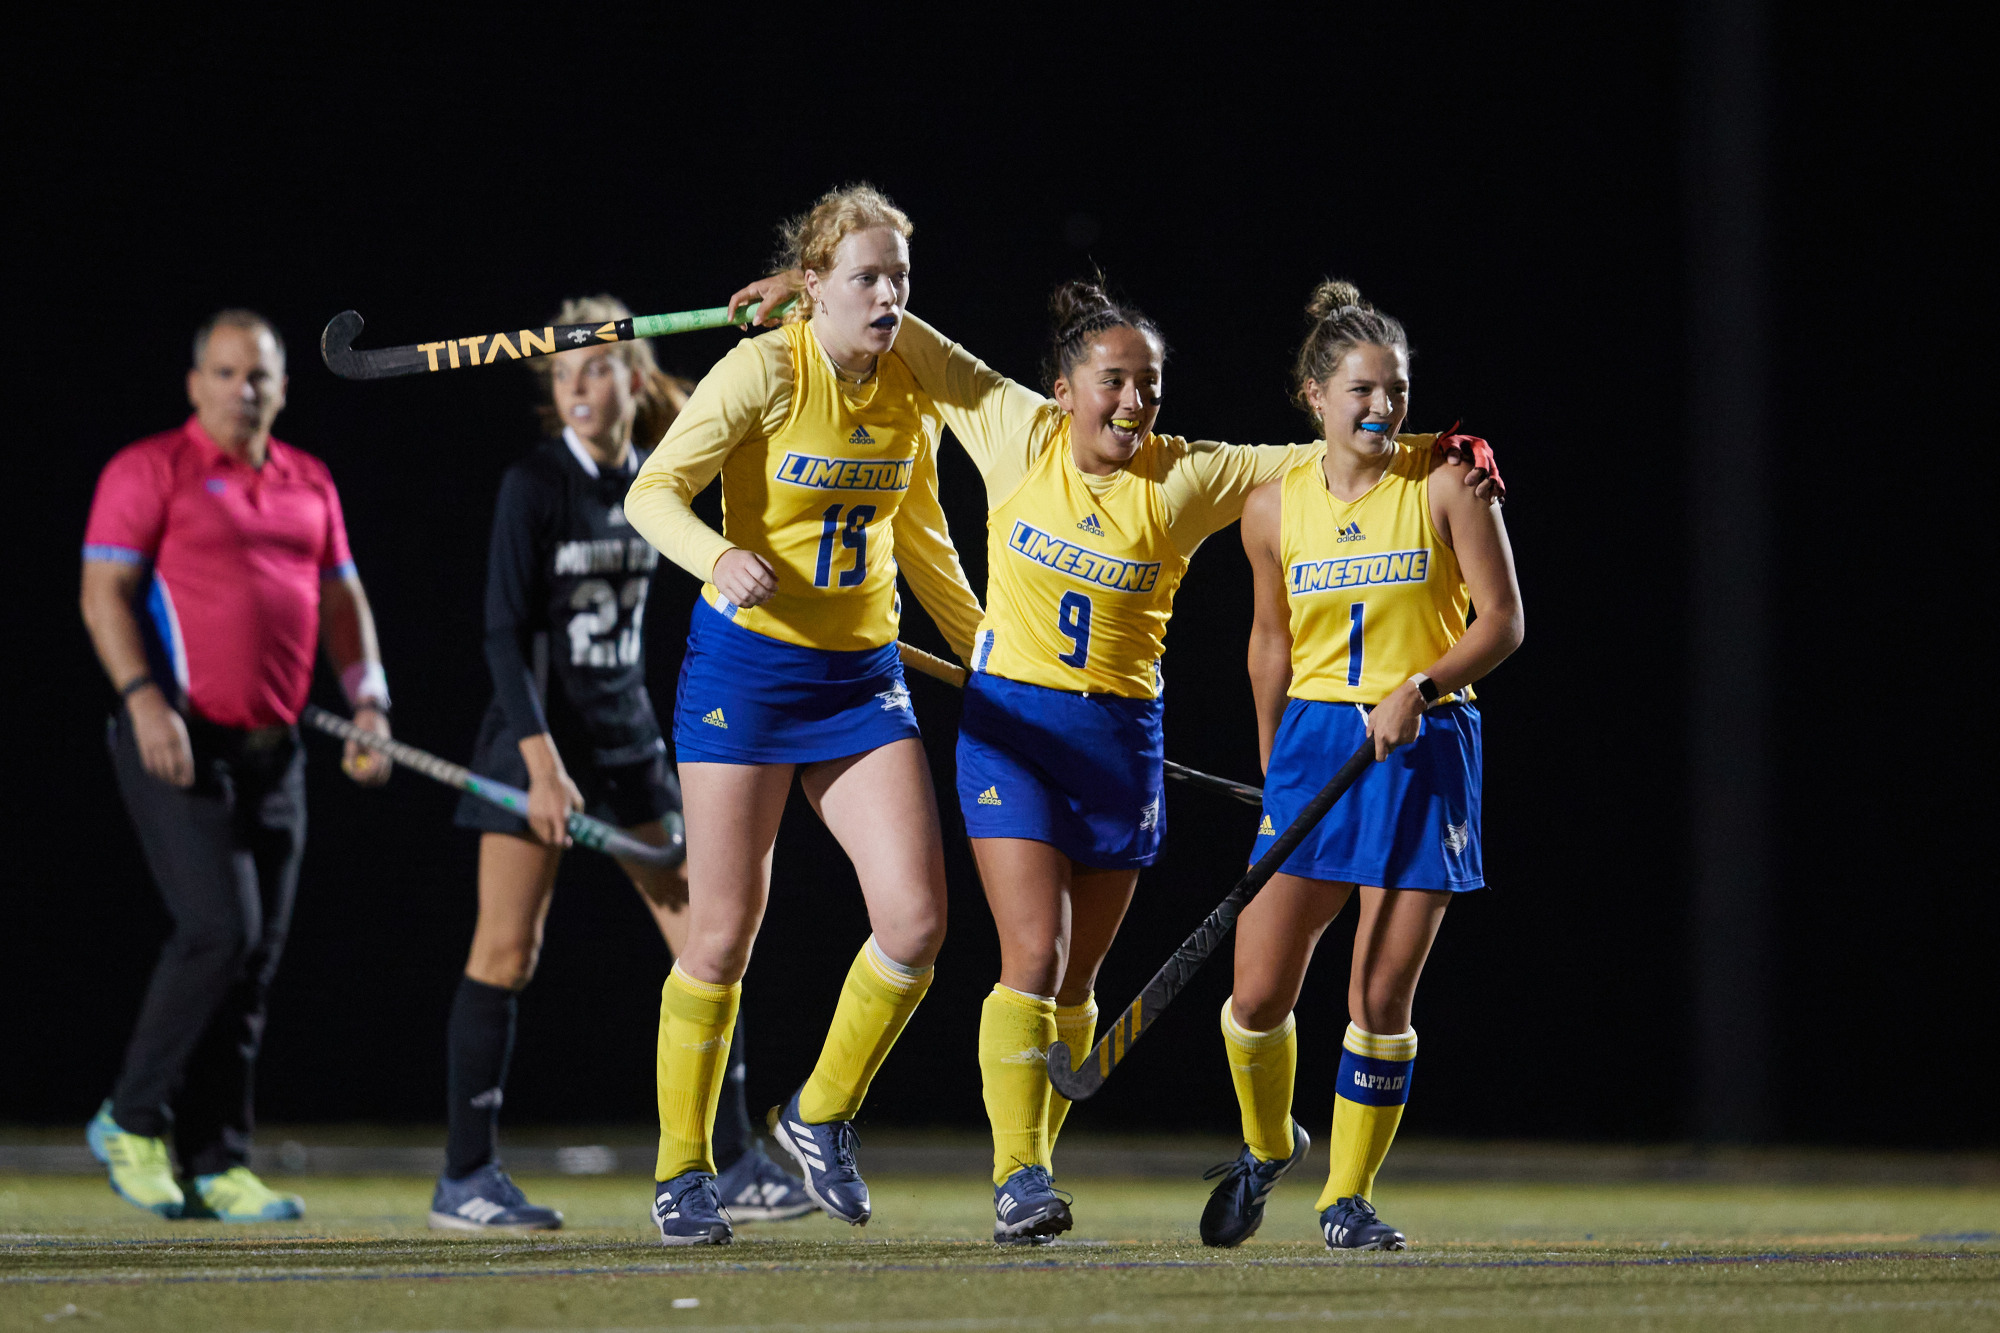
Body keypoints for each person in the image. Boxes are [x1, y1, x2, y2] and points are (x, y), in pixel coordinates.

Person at [730, 271, 1501, 1245]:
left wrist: (1448, 446)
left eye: (1149, 383)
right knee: (1033, 952)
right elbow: (914, 341)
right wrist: (815, 286)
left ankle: (1033, 1163)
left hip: (1122, 743)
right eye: (1112, 380)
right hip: (1011, 727)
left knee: (1075, 985)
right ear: (1063, 386)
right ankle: (1019, 1177)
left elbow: (1328, 449)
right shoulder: (1012, 428)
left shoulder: (1184, 474)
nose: (1133, 400)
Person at [624, 185, 986, 1246]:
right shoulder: (764, 369)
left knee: (915, 923)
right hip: (747, 674)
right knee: (721, 936)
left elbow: (923, 543)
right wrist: (716, 556)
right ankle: (681, 1170)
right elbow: (653, 493)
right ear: (812, 283)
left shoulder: (909, 385)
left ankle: (818, 1114)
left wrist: (990, 659)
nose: (888, 297)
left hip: (860, 680)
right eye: (867, 277)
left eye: (900, 279)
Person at [430, 296, 811, 1233]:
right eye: (565, 373)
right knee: (507, 951)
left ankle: (732, 1162)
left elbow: (760, 384)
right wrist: (541, 765)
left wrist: (783, 302)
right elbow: (500, 633)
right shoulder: (535, 483)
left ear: (633, 377)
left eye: (596, 367)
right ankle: (465, 1176)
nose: (579, 387)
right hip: (537, 745)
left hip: (627, 741)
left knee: (709, 940)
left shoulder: (656, 482)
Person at [1200, 281, 1522, 1253]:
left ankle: (1345, 1197)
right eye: (1360, 390)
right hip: (1309, 749)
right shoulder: (1269, 507)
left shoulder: (1449, 481)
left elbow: (1502, 622)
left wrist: (1416, 690)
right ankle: (1267, 1145)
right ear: (1312, 396)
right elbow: (1267, 641)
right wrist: (1271, 765)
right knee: (1254, 996)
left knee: (1376, 997)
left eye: (1395, 388)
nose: (1381, 407)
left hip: (1423, 751)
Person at [78, 310, 394, 1222]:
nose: (241, 390)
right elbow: (103, 593)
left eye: (257, 376)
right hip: (179, 738)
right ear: (195, 384)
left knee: (251, 959)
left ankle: (219, 1160)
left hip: (276, 750)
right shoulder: (150, 470)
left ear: (282, 387)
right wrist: (142, 697)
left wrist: (368, 699)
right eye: (224, 373)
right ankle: (129, 1120)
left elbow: (344, 600)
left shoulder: (310, 481)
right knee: (217, 929)